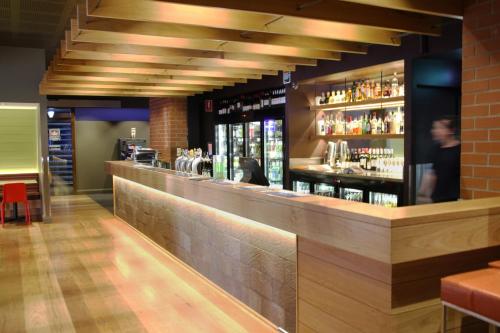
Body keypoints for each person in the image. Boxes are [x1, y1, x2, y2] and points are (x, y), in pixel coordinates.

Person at [418, 116, 461, 203]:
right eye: (434, 128)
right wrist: (422, 194)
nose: (435, 131)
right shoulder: (435, 149)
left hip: (454, 199)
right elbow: (431, 173)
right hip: (437, 199)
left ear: (450, 131)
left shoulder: (460, 149)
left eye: (440, 128)